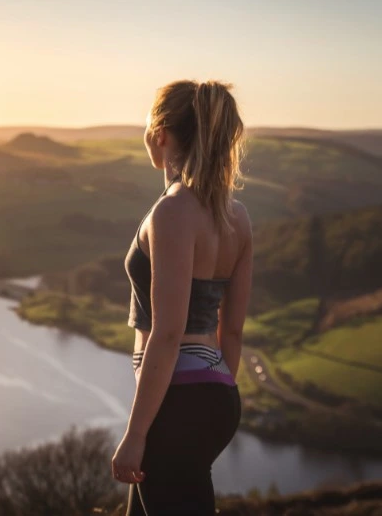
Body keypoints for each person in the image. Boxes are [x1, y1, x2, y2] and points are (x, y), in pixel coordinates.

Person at [112, 80, 252, 515]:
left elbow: (168, 333)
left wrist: (136, 435)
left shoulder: (172, 213)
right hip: (217, 393)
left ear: (161, 135)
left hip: (174, 403)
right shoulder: (237, 216)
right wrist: (214, 395)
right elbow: (231, 330)